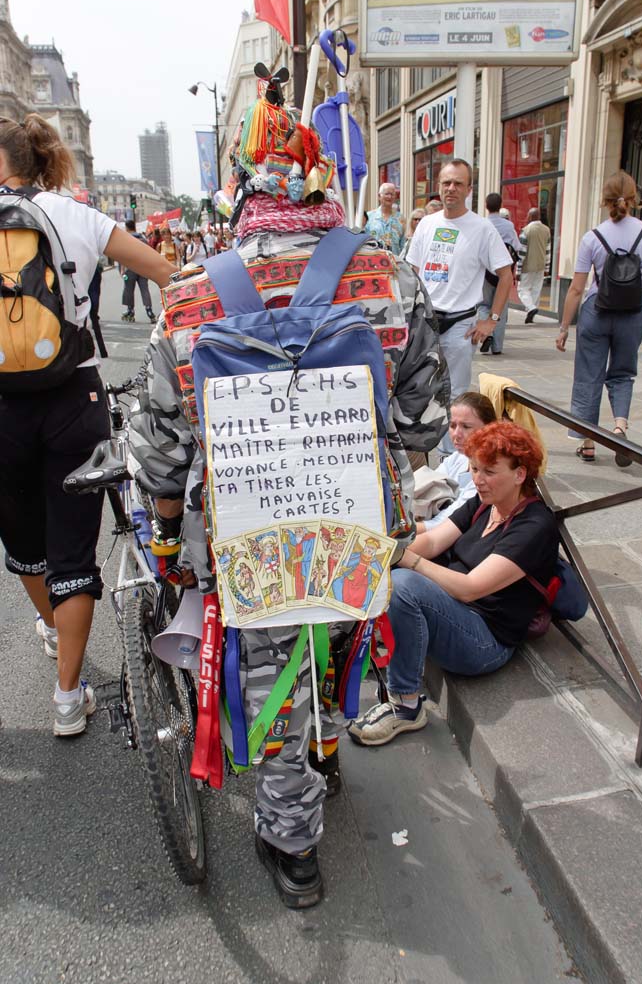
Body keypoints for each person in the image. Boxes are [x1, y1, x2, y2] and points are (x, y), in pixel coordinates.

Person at [129, 84, 448, 907]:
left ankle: (294, 847)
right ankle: (328, 751)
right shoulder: (387, 273)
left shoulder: (192, 293)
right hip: (359, 521)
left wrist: (167, 536)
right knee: (342, 636)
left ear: (242, 188)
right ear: (315, 180)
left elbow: (163, 449)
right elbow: (421, 422)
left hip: (246, 531)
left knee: (270, 672)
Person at [0, 113, 176, 736]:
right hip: (75, 394)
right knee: (74, 546)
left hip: (2, 409)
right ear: (39, 157)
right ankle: (68, 700)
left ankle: (50, 626)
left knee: (24, 544)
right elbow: (164, 273)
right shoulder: (74, 213)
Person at [348, 422, 558, 746]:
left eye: (489, 471)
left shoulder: (535, 526)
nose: (477, 480)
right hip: (455, 610)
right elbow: (432, 542)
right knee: (391, 570)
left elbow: (471, 587)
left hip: (486, 641)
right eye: (474, 469)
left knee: (405, 583)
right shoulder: (486, 504)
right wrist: (377, 558)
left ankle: (406, 705)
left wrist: (406, 561)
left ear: (520, 474)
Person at [556, 170, 642, 464]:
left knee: (588, 374)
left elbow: (577, 288)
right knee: (623, 372)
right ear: (634, 198)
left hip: (596, 312)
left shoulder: (592, 237)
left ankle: (588, 441)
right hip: (632, 314)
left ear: (604, 201)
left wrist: (564, 327)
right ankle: (619, 426)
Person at [407, 159, 513, 450]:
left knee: (455, 398)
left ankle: (450, 462)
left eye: (458, 183)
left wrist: (491, 319)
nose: (451, 189)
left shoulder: (482, 228)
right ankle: (424, 458)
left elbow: (506, 275)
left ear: (469, 189)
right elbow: (411, 272)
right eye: (446, 183)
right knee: (422, 392)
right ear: (439, 186)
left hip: (460, 325)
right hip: (425, 323)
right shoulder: (427, 224)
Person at [416, 392, 496, 533]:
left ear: (489, 428)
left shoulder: (487, 477)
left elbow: (443, 523)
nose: (456, 434)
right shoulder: (457, 458)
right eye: (452, 426)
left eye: (466, 427)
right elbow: (428, 487)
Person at [479, 193, 521, 355]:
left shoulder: (482, 224)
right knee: (501, 308)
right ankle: (497, 346)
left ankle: (485, 333)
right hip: (504, 271)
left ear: (486, 205)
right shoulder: (508, 226)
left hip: (485, 272)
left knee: (483, 304)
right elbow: (516, 247)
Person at [120, 218, 156, 323]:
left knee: (128, 289)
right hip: (142, 268)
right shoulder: (143, 239)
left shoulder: (126, 239)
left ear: (127, 228)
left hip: (129, 268)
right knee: (144, 289)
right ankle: (149, 309)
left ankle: (130, 310)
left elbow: (123, 255)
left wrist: (122, 269)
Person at [519, 207, 550, 323]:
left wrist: (518, 270)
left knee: (522, 289)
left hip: (528, 266)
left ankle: (531, 308)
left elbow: (522, 252)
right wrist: (547, 266)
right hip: (541, 264)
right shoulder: (546, 230)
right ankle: (531, 310)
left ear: (530, 217)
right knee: (536, 289)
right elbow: (548, 250)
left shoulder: (526, 230)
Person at [365, 182, 405, 254]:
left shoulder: (400, 218)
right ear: (379, 196)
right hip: (374, 260)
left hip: (394, 261)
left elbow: (403, 245)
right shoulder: (369, 217)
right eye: (387, 194)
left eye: (392, 194)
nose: (389, 197)